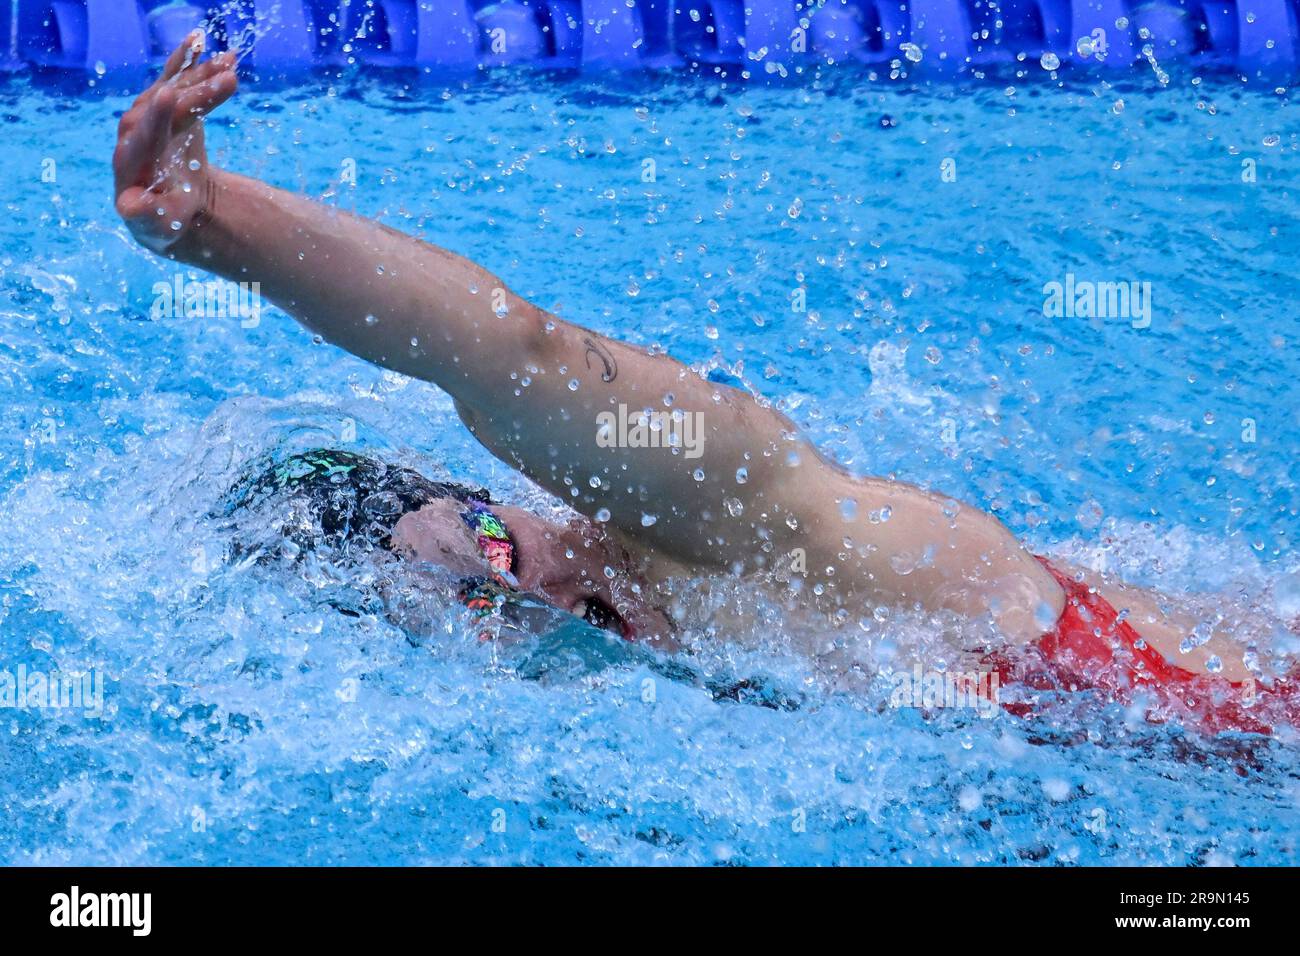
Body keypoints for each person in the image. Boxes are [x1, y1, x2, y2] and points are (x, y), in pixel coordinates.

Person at [113, 35, 1297, 736]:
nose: (537, 607)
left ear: (493, 496)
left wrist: (220, 228)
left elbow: (499, 348)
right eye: (484, 618)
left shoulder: (732, 526)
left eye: (500, 550)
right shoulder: (682, 685)